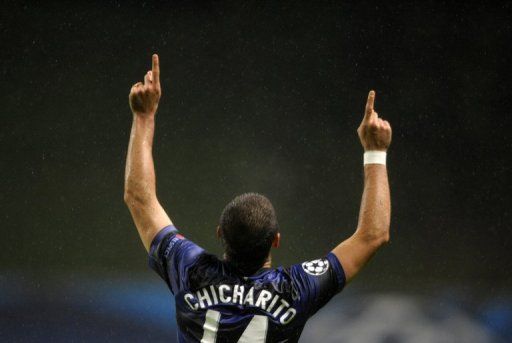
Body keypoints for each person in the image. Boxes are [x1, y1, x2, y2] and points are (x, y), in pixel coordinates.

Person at [124, 54, 392, 343]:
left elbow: (139, 198)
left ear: (219, 234)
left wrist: (144, 116)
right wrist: (375, 152)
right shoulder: (297, 289)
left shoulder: (190, 269)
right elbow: (372, 236)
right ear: (276, 239)